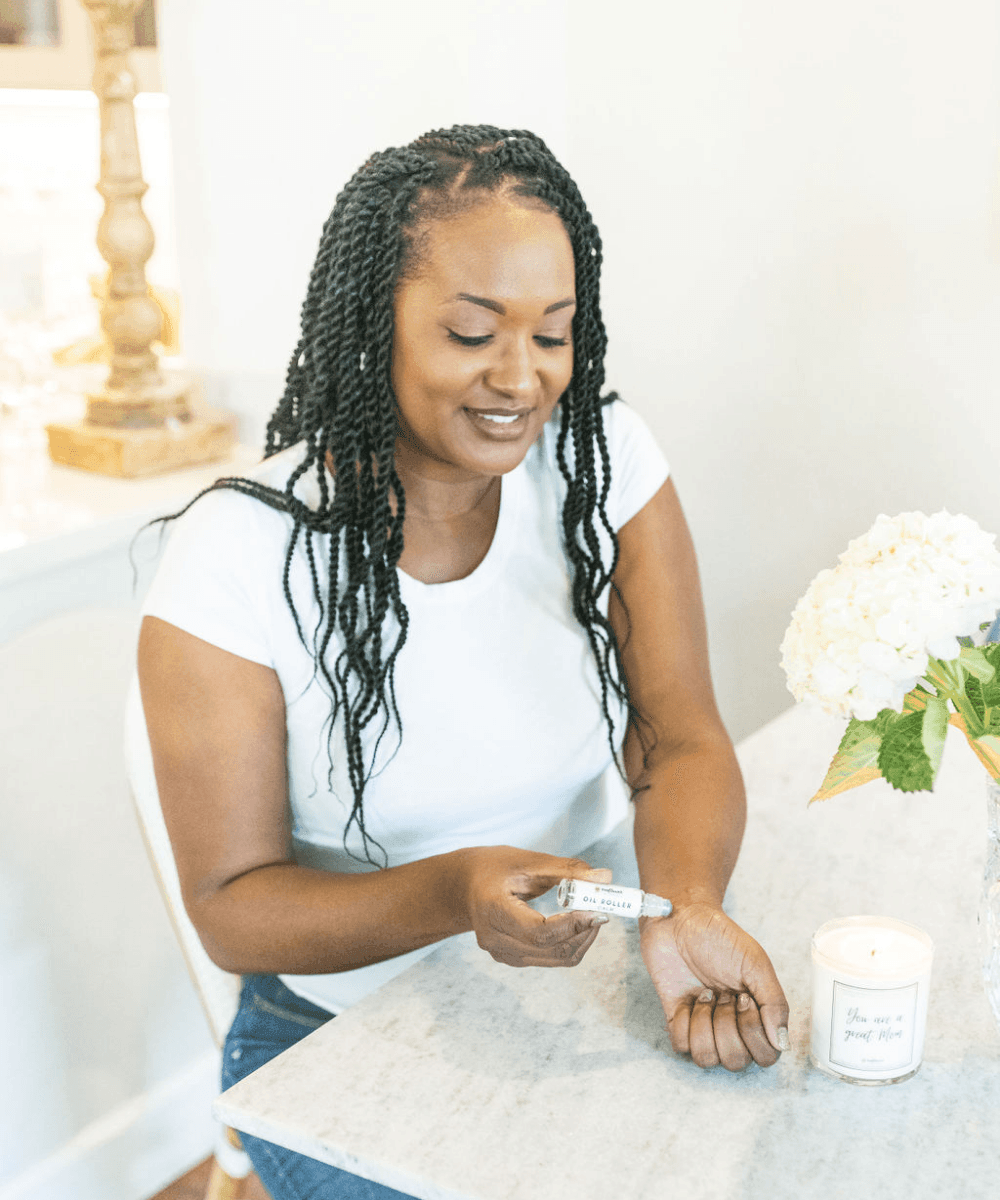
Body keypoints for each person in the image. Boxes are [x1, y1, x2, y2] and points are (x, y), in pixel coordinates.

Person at [137, 125, 789, 1200]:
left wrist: (682, 907)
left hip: (582, 993)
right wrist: (456, 890)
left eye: (553, 334)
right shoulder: (239, 555)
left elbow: (678, 734)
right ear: (369, 325)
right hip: (337, 1039)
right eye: (470, 331)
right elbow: (231, 903)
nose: (521, 379)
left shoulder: (603, 467)